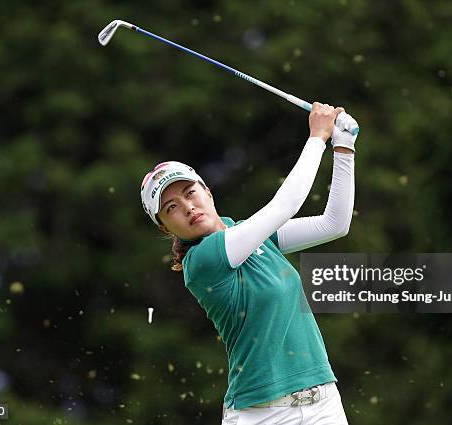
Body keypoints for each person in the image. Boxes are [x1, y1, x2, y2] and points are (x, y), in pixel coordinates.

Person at [140, 102, 358, 424]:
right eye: (171, 207)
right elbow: (286, 204)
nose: (187, 207)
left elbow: (334, 224)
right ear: (164, 227)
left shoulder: (252, 236)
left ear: (207, 191)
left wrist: (344, 148)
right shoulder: (202, 261)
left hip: (323, 403)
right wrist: (317, 137)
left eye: (190, 192)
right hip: (263, 415)